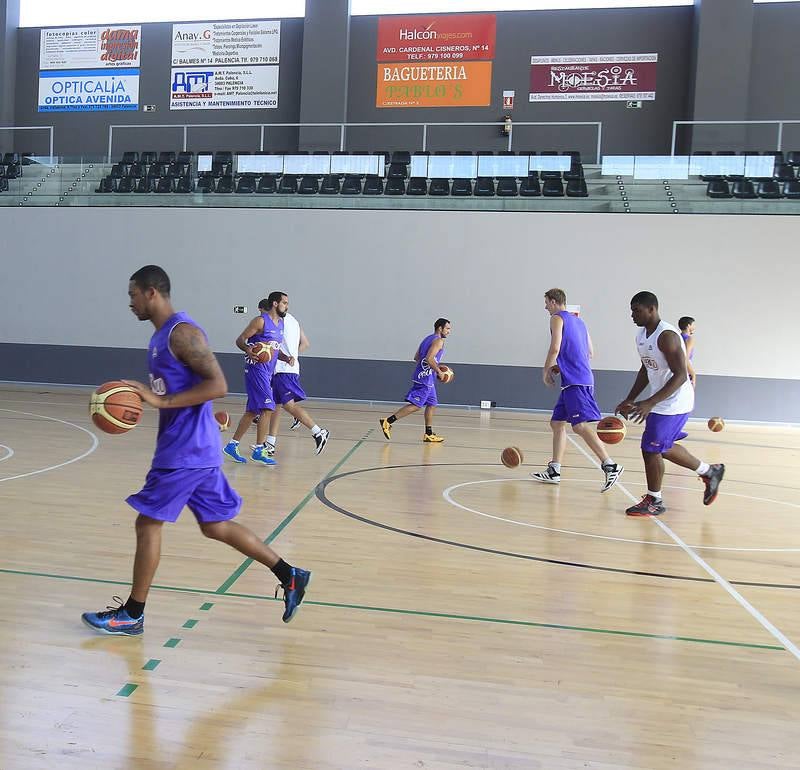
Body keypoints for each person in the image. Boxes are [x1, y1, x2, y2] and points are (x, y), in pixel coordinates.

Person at [81, 266, 311, 635]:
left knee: (147, 522)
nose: (130, 302)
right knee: (215, 525)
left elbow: (218, 384)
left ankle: (132, 614)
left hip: (184, 451)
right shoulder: (159, 337)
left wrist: (159, 400)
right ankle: (290, 575)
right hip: (194, 448)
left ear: (152, 292)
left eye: (133, 294)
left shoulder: (183, 333)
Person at [616, 291, 724, 516]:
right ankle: (709, 471)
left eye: (636, 310)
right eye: (631, 310)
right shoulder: (641, 335)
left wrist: (649, 402)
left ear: (652, 309)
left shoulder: (666, 336)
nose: (632, 315)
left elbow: (681, 375)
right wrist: (631, 398)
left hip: (676, 400)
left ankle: (654, 501)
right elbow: (646, 368)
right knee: (660, 447)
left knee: (651, 447)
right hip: (661, 399)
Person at [531, 289, 623, 491]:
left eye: (546, 302)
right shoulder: (579, 322)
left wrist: (546, 370)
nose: (545, 307)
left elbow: (555, 348)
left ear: (554, 302)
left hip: (576, 381)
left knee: (579, 426)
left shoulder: (557, 318)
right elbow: (590, 352)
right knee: (557, 423)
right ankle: (554, 470)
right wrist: (563, 366)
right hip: (579, 378)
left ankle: (610, 465)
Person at [222, 293, 295, 465]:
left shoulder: (281, 324)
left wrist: (286, 358)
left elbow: (273, 350)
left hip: (267, 372)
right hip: (256, 370)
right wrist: (247, 349)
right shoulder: (260, 321)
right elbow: (240, 340)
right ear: (275, 303)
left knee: (252, 411)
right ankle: (259, 449)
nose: (287, 306)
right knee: (268, 407)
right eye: (284, 303)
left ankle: (232, 445)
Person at [265, 306, 329, 456]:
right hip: (288, 367)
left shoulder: (277, 321)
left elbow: (271, 344)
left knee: (288, 405)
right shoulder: (294, 321)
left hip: (283, 369)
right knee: (276, 406)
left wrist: (286, 357)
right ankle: (270, 443)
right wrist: (293, 355)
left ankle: (319, 432)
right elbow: (305, 343)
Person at [380, 318, 451, 443]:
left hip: (426, 377)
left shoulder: (427, 338)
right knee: (417, 405)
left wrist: (428, 368)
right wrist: (438, 371)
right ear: (440, 328)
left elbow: (416, 357)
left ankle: (428, 434)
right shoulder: (439, 341)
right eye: (447, 328)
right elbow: (429, 359)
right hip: (425, 379)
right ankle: (388, 421)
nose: (449, 331)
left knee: (432, 404)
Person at [678, 316, 696, 387]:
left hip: (677, 368)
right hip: (685, 368)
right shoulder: (689, 339)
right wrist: (693, 374)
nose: (694, 327)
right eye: (693, 324)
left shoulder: (677, 337)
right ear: (688, 325)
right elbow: (685, 358)